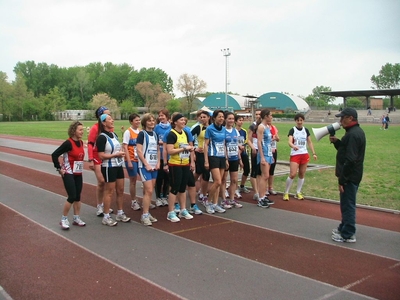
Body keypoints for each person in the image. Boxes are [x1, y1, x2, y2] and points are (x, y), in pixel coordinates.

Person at [330, 108, 366, 243]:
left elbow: (350, 159)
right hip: (353, 175)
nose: (340, 121)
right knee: (346, 203)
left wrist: (342, 180)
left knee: (348, 204)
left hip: (350, 176)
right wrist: (338, 143)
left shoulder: (352, 135)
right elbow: (347, 151)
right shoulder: (355, 132)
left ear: (350, 118)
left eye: (343, 117)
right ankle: (344, 227)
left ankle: (348, 233)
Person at [96, 114, 131, 226]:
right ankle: (106, 216)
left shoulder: (114, 135)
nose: (112, 121)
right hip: (108, 167)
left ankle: (120, 213)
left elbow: (117, 148)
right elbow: (101, 155)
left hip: (118, 165)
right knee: (109, 191)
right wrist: (115, 155)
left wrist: (121, 154)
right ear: (103, 122)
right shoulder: (101, 137)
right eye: (110, 119)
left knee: (120, 190)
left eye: (112, 119)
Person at [52, 121, 86, 230]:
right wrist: (59, 168)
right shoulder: (68, 143)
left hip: (78, 173)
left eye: (82, 130)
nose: (82, 132)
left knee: (77, 196)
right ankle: (64, 219)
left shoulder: (80, 143)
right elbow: (54, 154)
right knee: (71, 196)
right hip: (68, 173)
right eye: (80, 130)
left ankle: (76, 218)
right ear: (73, 131)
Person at [165, 113, 195, 222]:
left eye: (184, 120)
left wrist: (190, 149)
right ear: (175, 122)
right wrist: (183, 149)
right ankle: (171, 212)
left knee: (183, 188)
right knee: (174, 188)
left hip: (185, 163)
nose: (183, 122)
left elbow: (187, 146)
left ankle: (183, 209)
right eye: (181, 120)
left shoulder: (185, 133)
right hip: (175, 164)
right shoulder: (171, 134)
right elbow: (170, 151)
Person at [283, 113, 317, 201]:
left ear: (303, 121)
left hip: (304, 154)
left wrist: (313, 153)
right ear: (295, 121)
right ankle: (286, 192)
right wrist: (293, 146)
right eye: (298, 120)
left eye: (301, 120)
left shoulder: (306, 130)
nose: (299, 122)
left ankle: (298, 192)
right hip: (295, 154)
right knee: (293, 174)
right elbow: (289, 141)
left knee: (302, 174)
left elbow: (309, 142)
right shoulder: (292, 130)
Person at [87, 106, 113, 216]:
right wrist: (90, 159)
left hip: (106, 156)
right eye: (107, 114)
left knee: (108, 182)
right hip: (97, 156)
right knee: (101, 181)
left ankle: (105, 204)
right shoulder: (95, 128)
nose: (110, 117)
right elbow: (90, 144)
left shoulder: (110, 128)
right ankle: (99, 205)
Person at [136, 113, 160, 226]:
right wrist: (146, 164)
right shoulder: (142, 134)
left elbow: (157, 149)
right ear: (145, 122)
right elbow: (139, 151)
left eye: (153, 120)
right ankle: (144, 215)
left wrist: (158, 162)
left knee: (149, 190)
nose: (152, 122)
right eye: (149, 121)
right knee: (149, 190)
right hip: (144, 166)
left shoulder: (155, 134)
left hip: (154, 165)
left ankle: (147, 212)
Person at [204, 110, 227, 214]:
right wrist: (206, 161)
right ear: (214, 118)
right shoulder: (209, 129)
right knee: (217, 181)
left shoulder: (224, 129)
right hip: (213, 156)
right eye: (219, 117)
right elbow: (206, 145)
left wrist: (226, 158)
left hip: (222, 156)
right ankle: (208, 202)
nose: (221, 118)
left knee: (219, 182)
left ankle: (215, 203)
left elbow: (224, 143)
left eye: (222, 117)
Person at [221, 111, 243, 208]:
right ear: (225, 119)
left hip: (234, 158)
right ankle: (223, 200)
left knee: (234, 180)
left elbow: (240, 145)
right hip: (225, 158)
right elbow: (222, 145)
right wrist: (225, 159)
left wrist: (240, 159)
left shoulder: (236, 131)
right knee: (223, 179)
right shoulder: (222, 131)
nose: (231, 120)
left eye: (232, 119)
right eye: (229, 118)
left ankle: (232, 199)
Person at [191, 110, 211, 205]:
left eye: (204, 117)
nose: (202, 119)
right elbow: (188, 137)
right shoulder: (198, 127)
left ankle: (203, 192)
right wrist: (194, 149)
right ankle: (195, 187)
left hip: (211, 153)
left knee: (205, 174)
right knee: (201, 172)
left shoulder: (212, 128)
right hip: (201, 153)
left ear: (209, 118)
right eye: (201, 117)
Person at [122, 113, 141, 211]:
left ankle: (146, 200)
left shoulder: (140, 131)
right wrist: (128, 161)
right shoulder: (128, 132)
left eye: (139, 120)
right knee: (133, 180)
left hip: (140, 159)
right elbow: (125, 146)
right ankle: (133, 201)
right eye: (136, 120)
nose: (138, 122)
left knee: (145, 180)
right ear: (131, 121)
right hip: (132, 159)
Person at [256, 109, 274, 208]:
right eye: (270, 115)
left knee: (267, 176)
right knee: (264, 175)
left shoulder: (267, 126)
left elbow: (268, 141)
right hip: (264, 153)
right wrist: (262, 157)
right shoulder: (261, 127)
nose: (271, 117)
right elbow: (259, 142)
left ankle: (263, 196)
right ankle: (260, 198)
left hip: (269, 153)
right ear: (266, 116)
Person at [154, 109, 171, 206]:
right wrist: (162, 143)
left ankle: (164, 195)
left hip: (169, 156)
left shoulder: (171, 128)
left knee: (167, 177)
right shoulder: (157, 127)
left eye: (162, 115)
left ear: (167, 116)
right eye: (159, 116)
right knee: (159, 177)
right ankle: (158, 197)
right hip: (159, 155)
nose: (160, 117)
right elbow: (155, 139)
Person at [248, 109, 262, 201]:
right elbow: (248, 139)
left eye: (259, 114)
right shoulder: (252, 126)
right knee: (254, 171)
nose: (257, 116)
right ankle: (256, 192)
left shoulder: (264, 126)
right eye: (256, 114)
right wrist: (253, 147)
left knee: (261, 172)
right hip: (255, 151)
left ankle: (260, 191)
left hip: (263, 151)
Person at [235, 115, 251, 196]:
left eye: (242, 120)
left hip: (243, 153)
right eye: (239, 120)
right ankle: (235, 187)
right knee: (235, 171)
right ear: (236, 121)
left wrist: (242, 147)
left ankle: (242, 185)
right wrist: (238, 147)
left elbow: (245, 141)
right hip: (235, 153)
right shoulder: (233, 131)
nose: (241, 122)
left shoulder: (244, 131)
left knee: (247, 169)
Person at [267, 115, 280, 195]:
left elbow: (278, 138)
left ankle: (270, 187)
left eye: (271, 119)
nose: (270, 120)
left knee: (272, 170)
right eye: (269, 119)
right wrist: (271, 139)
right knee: (265, 171)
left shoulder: (274, 127)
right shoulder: (264, 128)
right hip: (266, 151)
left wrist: (276, 138)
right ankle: (264, 188)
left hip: (273, 150)